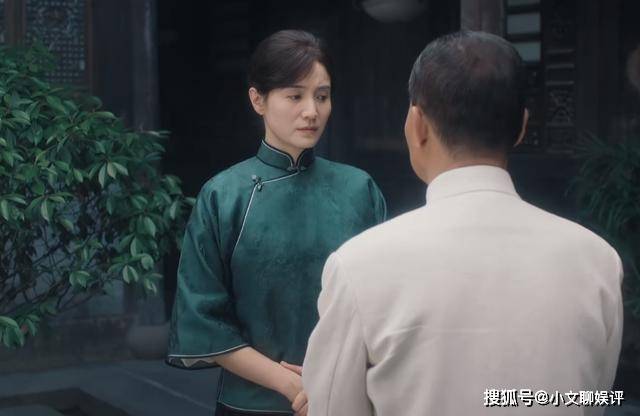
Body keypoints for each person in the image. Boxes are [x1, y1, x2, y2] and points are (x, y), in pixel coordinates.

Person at [302, 30, 623, 416]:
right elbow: (591, 399)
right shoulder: (598, 261)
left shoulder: (358, 266)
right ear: (522, 127)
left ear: (417, 124)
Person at [166, 30, 386, 415]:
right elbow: (202, 320)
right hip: (250, 404)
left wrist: (335, 383)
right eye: (295, 96)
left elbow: (385, 304)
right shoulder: (223, 196)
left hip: (347, 400)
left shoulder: (359, 189)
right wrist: (292, 385)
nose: (311, 111)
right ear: (258, 100)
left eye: (322, 96)